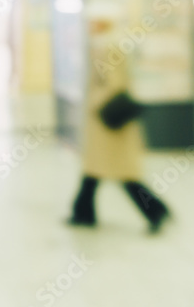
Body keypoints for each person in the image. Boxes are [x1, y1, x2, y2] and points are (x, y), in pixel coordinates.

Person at [68, 14, 170, 233]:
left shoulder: (108, 47)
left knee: (119, 173)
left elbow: (112, 85)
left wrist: (94, 103)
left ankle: (155, 210)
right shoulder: (111, 44)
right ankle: (83, 212)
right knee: (95, 171)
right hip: (105, 124)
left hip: (108, 123)